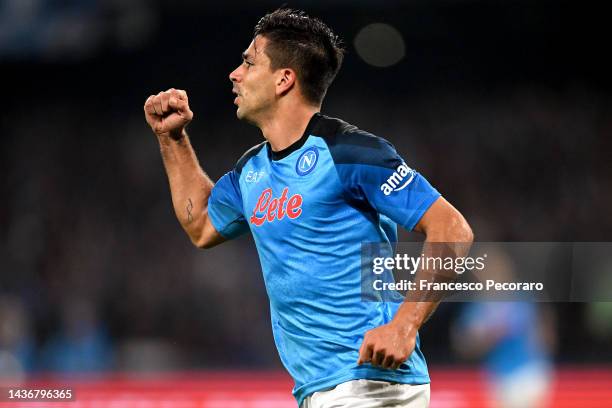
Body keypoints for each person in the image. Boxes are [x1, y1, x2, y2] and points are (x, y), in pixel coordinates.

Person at [144, 8, 472, 408]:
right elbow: (201, 226)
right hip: (320, 389)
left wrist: (404, 325)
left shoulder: (350, 152)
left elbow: (452, 229)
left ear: (285, 79)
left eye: (249, 62)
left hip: (371, 385)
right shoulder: (252, 169)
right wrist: (172, 139)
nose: (235, 73)